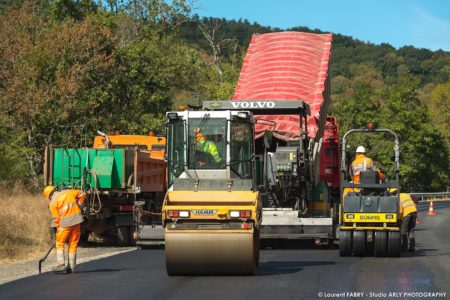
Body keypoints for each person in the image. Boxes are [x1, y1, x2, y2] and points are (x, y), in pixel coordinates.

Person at [43, 186, 87, 273]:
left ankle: (61, 264)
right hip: (77, 221)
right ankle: (71, 267)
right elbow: (83, 194)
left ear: (50, 195)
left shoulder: (52, 203)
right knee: (73, 244)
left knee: (59, 242)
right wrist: (79, 205)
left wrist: (59, 229)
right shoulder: (68, 192)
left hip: (65, 224)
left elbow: (56, 219)